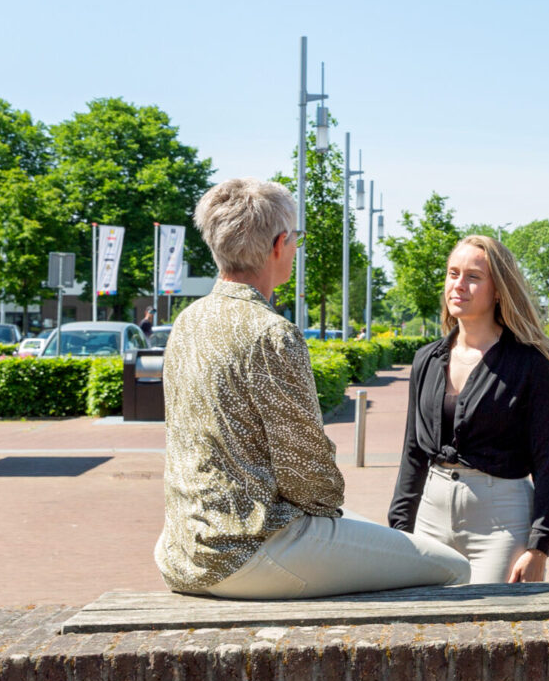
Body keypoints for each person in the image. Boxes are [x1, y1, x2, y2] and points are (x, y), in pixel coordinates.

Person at [155, 178, 469, 599]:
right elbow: (306, 471)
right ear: (280, 243)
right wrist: (326, 514)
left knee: (371, 535)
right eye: (296, 239)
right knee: (452, 567)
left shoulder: (188, 321)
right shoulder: (270, 332)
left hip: (183, 547)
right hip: (247, 551)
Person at [389, 235, 549, 583]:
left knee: (492, 627)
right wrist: (399, 527)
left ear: (499, 290)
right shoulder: (426, 360)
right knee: (426, 628)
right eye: (452, 273)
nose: (459, 285)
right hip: (431, 514)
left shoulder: (532, 365)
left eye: (473, 277)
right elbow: (413, 452)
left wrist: (539, 546)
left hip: (500, 521)